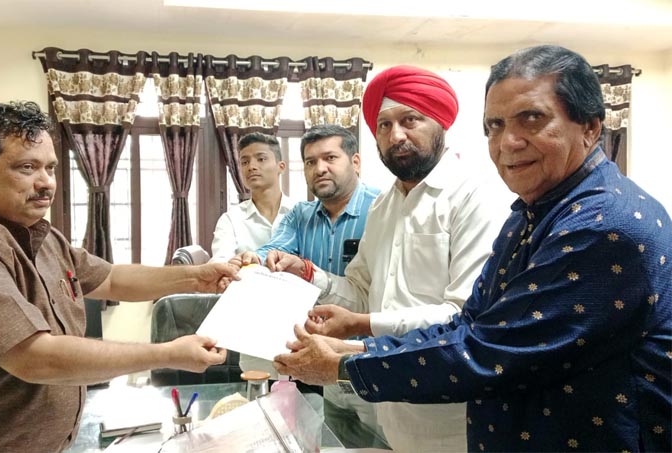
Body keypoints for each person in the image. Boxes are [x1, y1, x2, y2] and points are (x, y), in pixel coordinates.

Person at [274, 45, 672, 452]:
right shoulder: (529, 213)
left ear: (590, 127)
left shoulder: (602, 224)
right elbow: (472, 323)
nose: (508, 142)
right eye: (495, 125)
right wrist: (354, 347)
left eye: (531, 118)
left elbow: (491, 352)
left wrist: (345, 364)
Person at [0, 101, 239, 452]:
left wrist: (196, 277)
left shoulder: (36, 233)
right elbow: (36, 357)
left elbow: (111, 280)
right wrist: (167, 354)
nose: (46, 183)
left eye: (50, 168)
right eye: (27, 167)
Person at [265, 65, 512, 451]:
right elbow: (362, 291)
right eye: (384, 125)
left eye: (410, 120)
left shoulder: (475, 196)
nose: (396, 135)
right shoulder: (383, 207)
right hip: (389, 405)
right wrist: (309, 273)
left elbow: (464, 316)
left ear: (440, 123)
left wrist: (359, 325)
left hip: (455, 416)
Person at [234, 124, 383, 445]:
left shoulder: (381, 209)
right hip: (324, 359)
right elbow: (274, 249)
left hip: (372, 356)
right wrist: (255, 258)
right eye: (311, 162)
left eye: (330, 158)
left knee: (384, 444)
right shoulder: (300, 216)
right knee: (335, 442)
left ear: (355, 162)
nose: (320, 168)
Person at [209, 132, 295, 262]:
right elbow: (221, 262)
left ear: (281, 167)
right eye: (245, 162)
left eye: (261, 159)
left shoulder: (300, 214)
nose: (251, 167)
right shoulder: (231, 219)